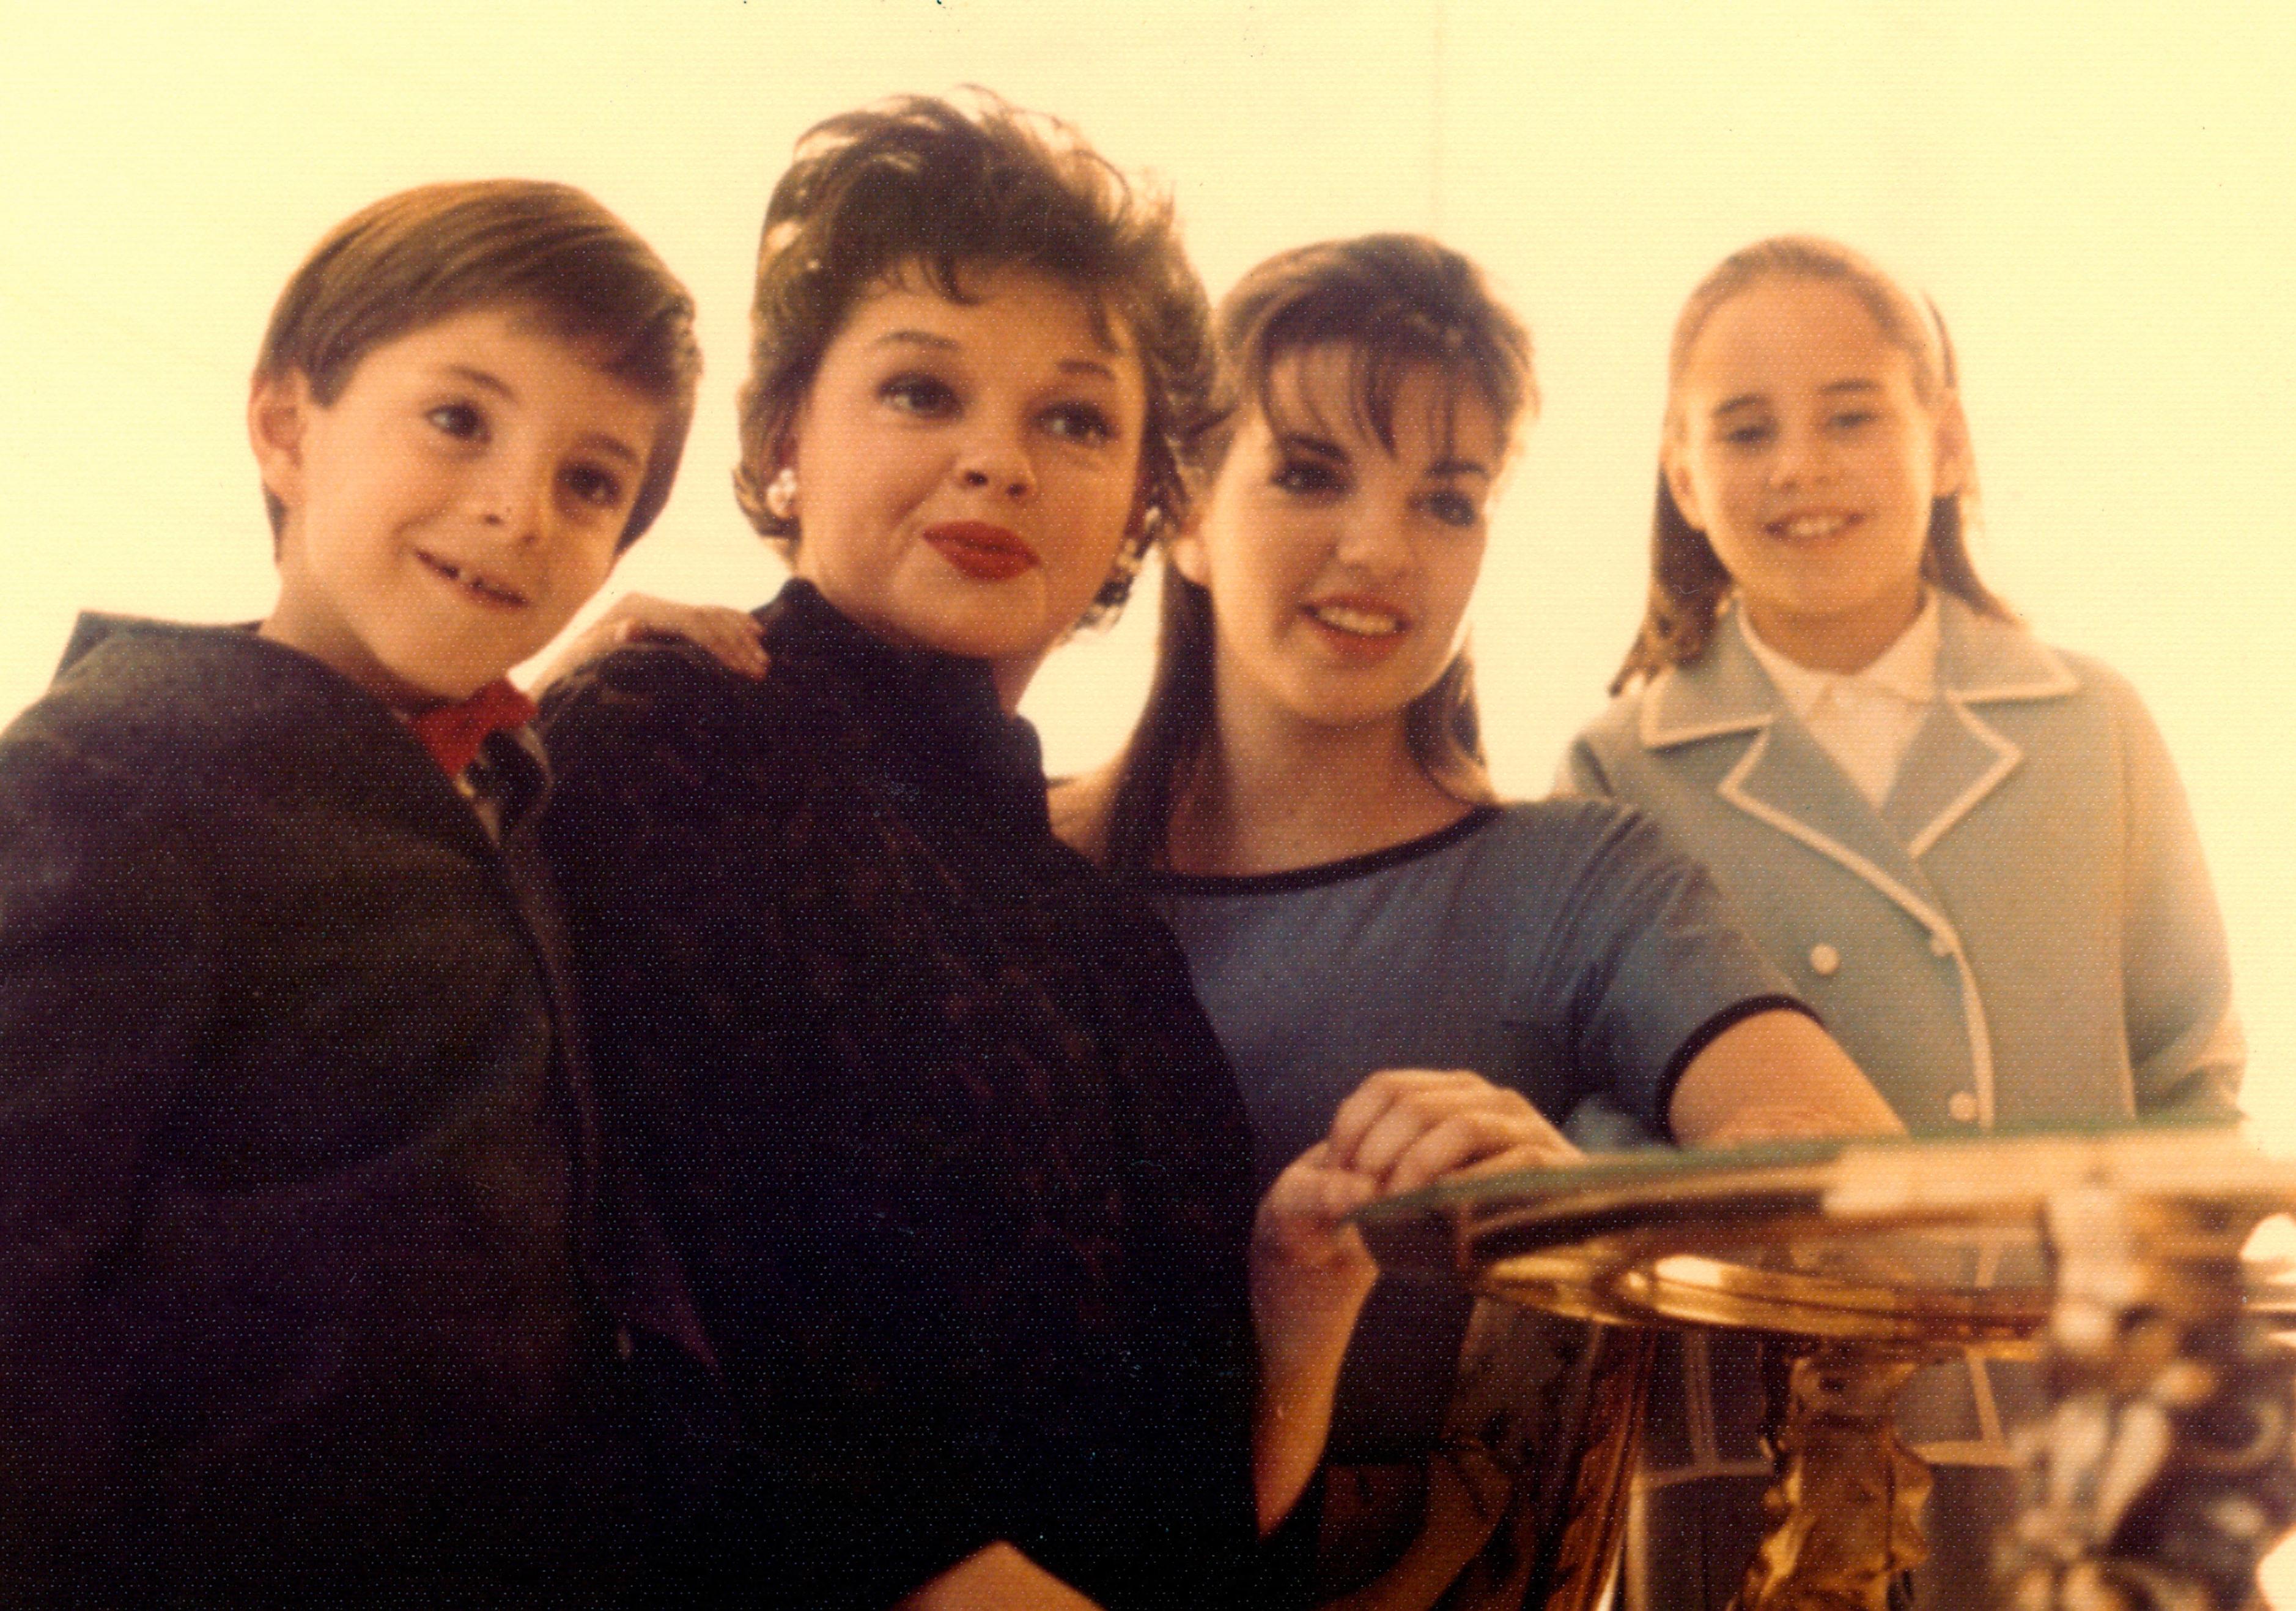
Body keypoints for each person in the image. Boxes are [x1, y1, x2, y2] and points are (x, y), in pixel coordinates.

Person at [531, 95, 1556, 1611]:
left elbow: (1201, 1529)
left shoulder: (1095, 926)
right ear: (779, 435)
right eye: (922, 392)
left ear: (1150, 499)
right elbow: (766, 1420)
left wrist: (1297, 1297)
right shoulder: (674, 734)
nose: (997, 462)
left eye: (1073, 418)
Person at [1052, 234, 1902, 1607]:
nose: (1381, 548)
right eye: (1311, 472)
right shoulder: (999, 857)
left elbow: (1858, 1171)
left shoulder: (1580, 878)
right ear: (1186, 511)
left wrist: (1579, 1203)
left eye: (1448, 501)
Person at [0, 180, 704, 1607]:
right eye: (460, 419)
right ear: (285, 425)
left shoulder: (501, 782)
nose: (517, 508)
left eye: (592, 483)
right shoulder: (112, 769)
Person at [1561, 234, 2243, 1611]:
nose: (1800, 467)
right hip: (1762, 1437)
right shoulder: (1619, 767)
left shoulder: (2092, 724)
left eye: (1851, 415)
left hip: (2073, 1411)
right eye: (1744, 431)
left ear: (1945, 441)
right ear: (1685, 478)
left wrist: (2166, 1434)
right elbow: (1591, 1132)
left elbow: (2192, 1086)